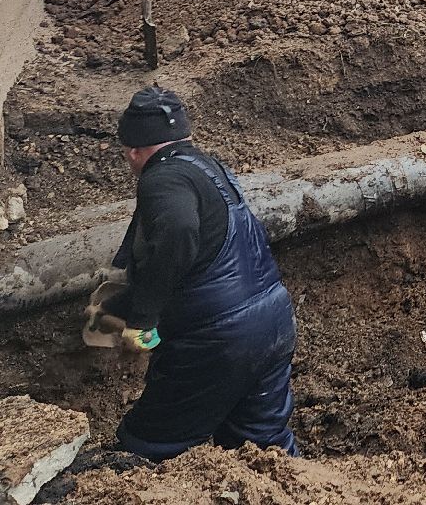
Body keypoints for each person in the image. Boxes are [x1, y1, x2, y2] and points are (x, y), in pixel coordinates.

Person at [98, 86, 299, 460]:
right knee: (262, 449)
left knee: (147, 448)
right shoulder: (211, 169)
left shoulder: (163, 179)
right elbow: (208, 257)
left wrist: (142, 319)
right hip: (274, 321)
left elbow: (178, 233)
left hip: (218, 340)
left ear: (133, 150)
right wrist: (124, 304)